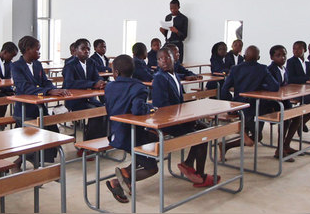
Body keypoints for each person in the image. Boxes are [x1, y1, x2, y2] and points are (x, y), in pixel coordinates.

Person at [152, 47, 217, 187]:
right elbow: (162, 107)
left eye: (167, 57)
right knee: (201, 134)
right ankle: (200, 175)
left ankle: (188, 163)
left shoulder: (174, 75)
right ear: (157, 62)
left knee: (204, 127)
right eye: (160, 59)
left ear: (174, 59)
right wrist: (184, 116)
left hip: (178, 118)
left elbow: (179, 102)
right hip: (168, 122)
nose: (164, 61)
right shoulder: (159, 78)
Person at [11, 36, 71, 169]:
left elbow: (45, 81)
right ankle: (34, 165)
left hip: (39, 108)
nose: (39, 52)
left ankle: (38, 163)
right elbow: (24, 87)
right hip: (24, 110)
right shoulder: (16, 66)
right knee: (32, 136)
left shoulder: (37, 64)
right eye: (37, 50)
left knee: (51, 130)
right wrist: (46, 92)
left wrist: (55, 89)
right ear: (28, 50)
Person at [104, 55, 158, 203]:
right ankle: (119, 179)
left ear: (116, 72)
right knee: (153, 168)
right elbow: (137, 110)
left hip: (115, 133)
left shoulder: (109, 87)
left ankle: (126, 173)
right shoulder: (139, 86)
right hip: (131, 136)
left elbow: (109, 110)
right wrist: (151, 108)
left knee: (153, 142)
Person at [219, 46, 280, 158]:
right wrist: (262, 86)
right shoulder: (262, 68)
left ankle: (230, 141)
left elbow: (224, 89)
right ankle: (229, 142)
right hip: (256, 107)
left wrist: (230, 106)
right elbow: (274, 86)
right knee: (257, 136)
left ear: (244, 56)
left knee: (254, 134)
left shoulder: (235, 68)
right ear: (259, 57)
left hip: (239, 106)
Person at [62, 38, 107, 140]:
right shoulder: (70, 65)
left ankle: (100, 140)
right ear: (76, 50)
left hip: (89, 99)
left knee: (105, 109)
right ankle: (88, 144)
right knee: (96, 112)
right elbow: (69, 83)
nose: (86, 51)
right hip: (75, 101)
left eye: (88, 49)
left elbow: (97, 77)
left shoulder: (91, 62)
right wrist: (92, 84)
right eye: (83, 48)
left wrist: (100, 82)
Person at [266, 45, 301, 161]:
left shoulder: (284, 69)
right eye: (278, 55)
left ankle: (286, 145)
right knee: (285, 119)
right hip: (273, 103)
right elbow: (270, 88)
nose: (283, 58)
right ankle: (279, 150)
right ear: (272, 57)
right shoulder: (270, 70)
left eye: (284, 55)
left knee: (297, 117)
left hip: (284, 100)